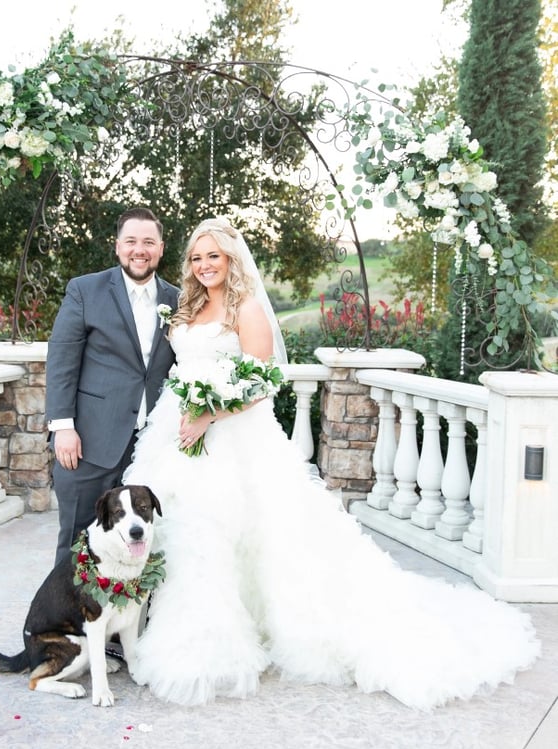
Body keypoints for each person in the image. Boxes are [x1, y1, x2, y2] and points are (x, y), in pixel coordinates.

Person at [122, 217, 540, 709]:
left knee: (234, 530)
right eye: (196, 257)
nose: (204, 264)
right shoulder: (188, 305)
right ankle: (170, 623)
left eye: (213, 255)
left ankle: (210, 643)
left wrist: (209, 414)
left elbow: (261, 383)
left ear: (231, 258)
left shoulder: (247, 307)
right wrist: (190, 413)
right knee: (187, 530)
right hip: (178, 428)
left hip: (230, 434)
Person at [46, 207, 180, 566]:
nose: (140, 249)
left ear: (161, 248)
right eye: (132, 241)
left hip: (152, 444)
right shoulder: (85, 290)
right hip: (90, 440)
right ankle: (65, 618)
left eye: (149, 242)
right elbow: (62, 360)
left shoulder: (179, 300)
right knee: (77, 539)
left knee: (143, 541)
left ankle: (128, 620)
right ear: (118, 246)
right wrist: (62, 427)